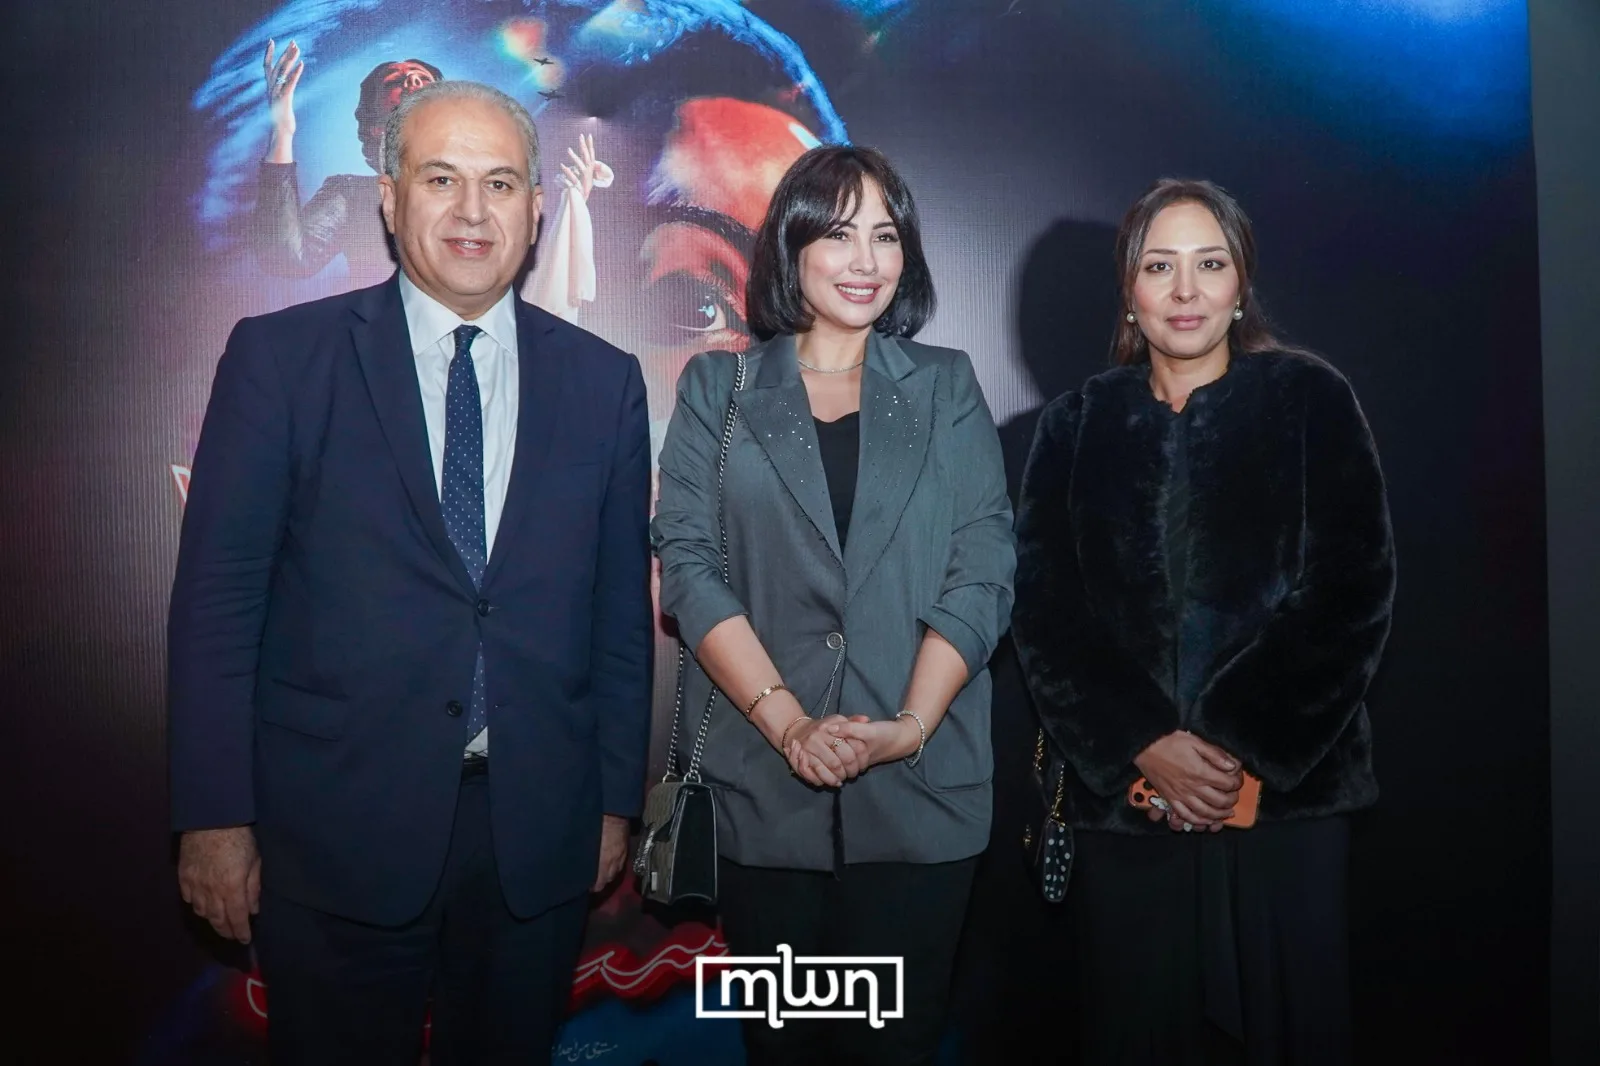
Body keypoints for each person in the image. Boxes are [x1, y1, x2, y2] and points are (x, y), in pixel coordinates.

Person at [169, 79, 653, 1065]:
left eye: (499, 183)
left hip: (535, 832)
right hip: (335, 829)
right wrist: (215, 816)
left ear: (536, 209)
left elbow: (616, 614)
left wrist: (613, 801)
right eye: (441, 179)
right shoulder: (281, 359)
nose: (472, 210)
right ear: (389, 200)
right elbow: (219, 604)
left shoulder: (604, 382)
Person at [1011, 178, 1396, 1065]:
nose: (1185, 291)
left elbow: (1352, 591)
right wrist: (1146, 746)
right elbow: (1046, 611)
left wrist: (1232, 750)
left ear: (1240, 283)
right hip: (1130, 811)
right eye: (1160, 267)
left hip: (1286, 809)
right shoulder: (1075, 424)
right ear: (1130, 290)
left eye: (1209, 264)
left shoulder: (1311, 397)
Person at [652, 145, 1016, 1066]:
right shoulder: (718, 389)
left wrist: (908, 728)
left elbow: (982, 567)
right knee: (786, 1054)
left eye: (886, 237)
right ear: (792, 246)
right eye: (840, 235)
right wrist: (789, 727)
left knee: (897, 1049)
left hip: (921, 798)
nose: (866, 261)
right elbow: (688, 566)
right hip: (764, 798)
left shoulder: (945, 385)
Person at [252, 41, 442, 286]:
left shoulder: (486, 186)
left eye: (424, 79)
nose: (413, 81)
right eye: (394, 82)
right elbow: (287, 259)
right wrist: (282, 131)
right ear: (377, 128)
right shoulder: (352, 195)